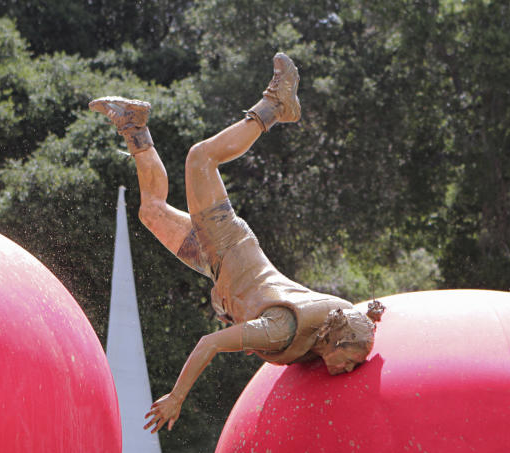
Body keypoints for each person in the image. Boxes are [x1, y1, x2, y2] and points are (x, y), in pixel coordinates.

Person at [90, 53, 385, 433]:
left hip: (217, 265)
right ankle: (276, 105)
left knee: (152, 212)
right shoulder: (283, 329)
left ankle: (134, 125)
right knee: (201, 158)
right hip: (229, 244)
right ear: (337, 339)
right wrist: (177, 397)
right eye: (352, 360)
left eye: (354, 366)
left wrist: (374, 317)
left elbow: (351, 319)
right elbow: (209, 344)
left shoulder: (329, 329)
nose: (350, 369)